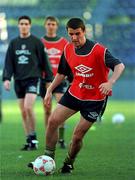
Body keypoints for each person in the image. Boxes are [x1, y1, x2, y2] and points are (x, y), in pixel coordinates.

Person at [28, 18, 125, 172]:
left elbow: (119, 65)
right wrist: (49, 90)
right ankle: (48, 159)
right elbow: (61, 73)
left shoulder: (99, 50)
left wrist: (111, 81)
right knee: (53, 121)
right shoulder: (67, 49)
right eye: (71, 34)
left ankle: (68, 162)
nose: (74, 38)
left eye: (77, 34)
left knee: (77, 137)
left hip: (94, 99)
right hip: (75, 93)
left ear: (84, 31)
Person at [2, 15, 53, 151]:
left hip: (33, 79)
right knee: (23, 112)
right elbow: (9, 63)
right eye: (21, 24)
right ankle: (29, 140)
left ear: (29, 25)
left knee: (28, 107)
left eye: (26, 24)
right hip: (18, 81)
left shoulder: (36, 42)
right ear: (18, 26)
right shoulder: (13, 43)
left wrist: (48, 80)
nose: (24, 26)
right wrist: (7, 79)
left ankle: (34, 137)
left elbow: (44, 62)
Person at [40, 16, 69, 148]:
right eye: (48, 24)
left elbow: (69, 61)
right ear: (45, 26)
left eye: (53, 24)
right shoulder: (40, 42)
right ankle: (49, 137)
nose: (51, 26)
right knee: (47, 110)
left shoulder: (64, 42)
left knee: (61, 109)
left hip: (60, 79)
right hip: (45, 80)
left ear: (56, 26)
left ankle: (61, 139)